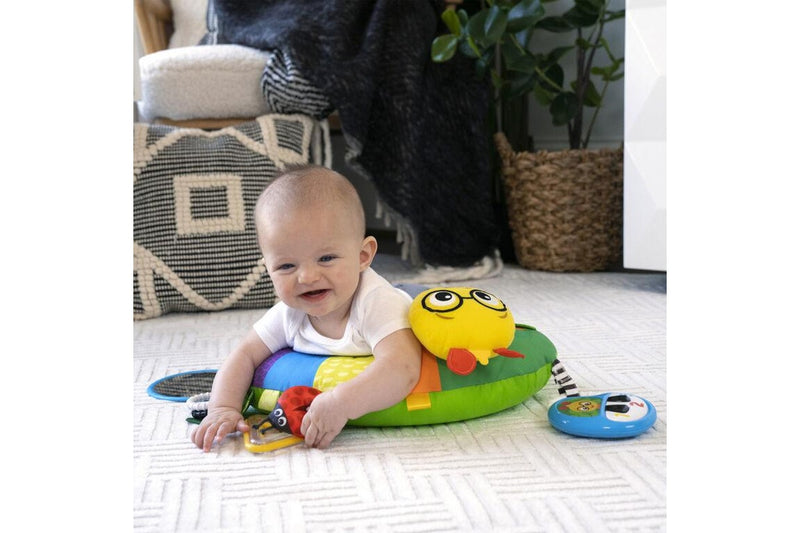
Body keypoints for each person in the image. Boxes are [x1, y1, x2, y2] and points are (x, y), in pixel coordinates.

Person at [191, 164, 422, 451]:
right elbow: (244, 354)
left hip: (408, 300)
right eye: (287, 265)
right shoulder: (289, 313)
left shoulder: (376, 302)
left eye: (326, 258)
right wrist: (223, 407)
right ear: (268, 269)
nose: (307, 277)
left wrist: (342, 402)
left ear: (363, 256)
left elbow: (403, 367)